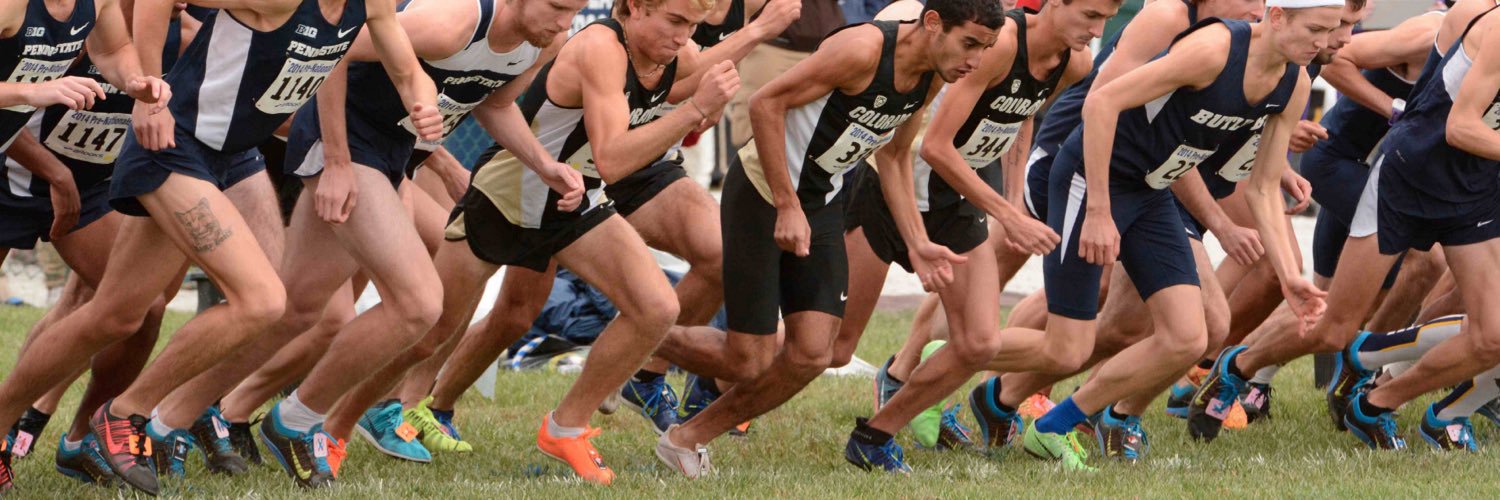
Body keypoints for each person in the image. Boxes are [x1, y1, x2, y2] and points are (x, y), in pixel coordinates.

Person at [0, 0, 443, 491]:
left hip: (232, 154)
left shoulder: (370, 5)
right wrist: (150, 97)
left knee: (118, 314)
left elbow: (408, 72)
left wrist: (423, 102)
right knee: (262, 300)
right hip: (179, 146)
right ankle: (126, 414)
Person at [654, 0, 1001, 477]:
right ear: (933, 24)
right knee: (746, 359)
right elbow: (765, 103)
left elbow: (896, 157)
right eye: (970, 44)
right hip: (762, 194)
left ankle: (686, 440)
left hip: (821, 203)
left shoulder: (934, 72)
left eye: (986, 49)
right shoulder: (862, 49)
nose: (976, 61)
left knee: (814, 354)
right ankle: (632, 337)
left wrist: (917, 240)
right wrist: (787, 204)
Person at [1017, 1, 1334, 469]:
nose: (1327, 43)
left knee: (1189, 335)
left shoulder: (1294, 80)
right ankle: (972, 372)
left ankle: (1058, 423)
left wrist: (1291, 277)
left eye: (1337, 29)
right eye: (1319, 29)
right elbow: (1102, 101)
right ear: (1280, 16)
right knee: (1073, 341)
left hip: (1153, 185)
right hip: (1092, 170)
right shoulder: (1204, 43)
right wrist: (1100, 212)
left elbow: (1261, 186)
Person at [1187, 0, 1499, 442]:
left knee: (1491, 334)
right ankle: (1241, 365)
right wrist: (1393, 107)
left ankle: (1377, 400)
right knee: (1334, 325)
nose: (1343, 33)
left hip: (1475, 188)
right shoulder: (1479, 21)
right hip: (1406, 177)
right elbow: (1460, 126)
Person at [834, 0, 1111, 468]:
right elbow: (938, 147)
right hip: (894, 187)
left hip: (956, 201)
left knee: (980, 342)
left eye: (1106, 18)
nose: (1097, 29)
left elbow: (1020, 115)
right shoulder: (1001, 41)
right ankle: (723, 372)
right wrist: (1009, 213)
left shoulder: (1074, 60)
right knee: (831, 349)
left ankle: (875, 435)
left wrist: (1017, 199)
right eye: (1089, 15)